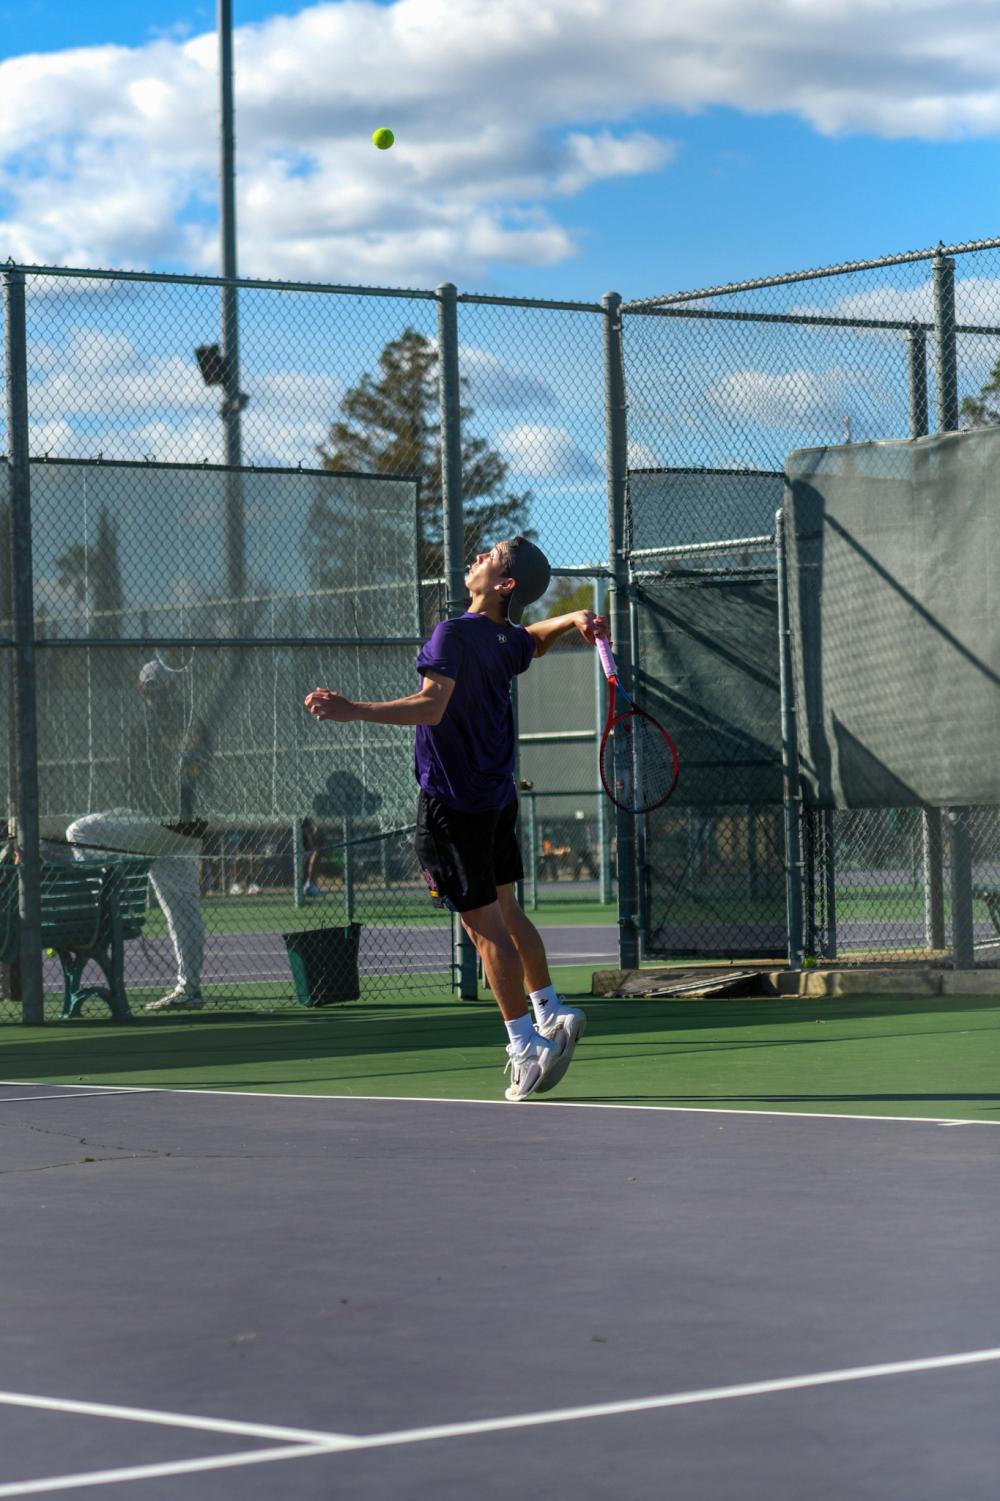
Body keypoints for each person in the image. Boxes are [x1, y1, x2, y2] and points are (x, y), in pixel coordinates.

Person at [305, 535, 607, 1102]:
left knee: (482, 928)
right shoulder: (499, 639)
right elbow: (532, 641)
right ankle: (551, 1010)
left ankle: (525, 1047)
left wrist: (353, 710)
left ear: (503, 585)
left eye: (488, 556)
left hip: (453, 802)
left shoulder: (454, 634)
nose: (475, 557)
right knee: (509, 913)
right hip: (495, 799)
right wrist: (570, 616)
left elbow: (431, 705)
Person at [66, 659, 210, 1012]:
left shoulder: (142, 726)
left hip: (153, 822)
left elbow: (131, 781)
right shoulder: (197, 723)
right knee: (183, 908)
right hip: (189, 825)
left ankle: (101, 902)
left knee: (78, 830)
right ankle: (189, 989)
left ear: (142, 689)